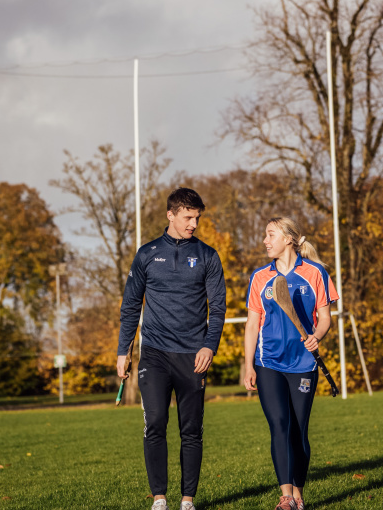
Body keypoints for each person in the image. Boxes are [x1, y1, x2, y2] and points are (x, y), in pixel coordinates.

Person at [118, 187, 227, 510]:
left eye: (197, 218)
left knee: (191, 429)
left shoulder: (207, 255)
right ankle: (160, 498)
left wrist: (209, 346)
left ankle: (187, 500)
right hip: (154, 352)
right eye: (188, 217)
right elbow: (130, 306)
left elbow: (218, 308)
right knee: (155, 423)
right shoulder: (147, 254)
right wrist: (123, 351)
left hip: (193, 355)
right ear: (171, 215)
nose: (194, 223)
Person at [243, 217, 338, 510]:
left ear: (288, 239)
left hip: (303, 363)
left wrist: (316, 336)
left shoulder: (316, 273)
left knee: (298, 430)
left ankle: (298, 491)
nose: (265, 240)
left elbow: (325, 319)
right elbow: (252, 323)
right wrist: (248, 365)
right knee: (279, 425)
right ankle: (285, 495)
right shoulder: (260, 277)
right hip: (267, 361)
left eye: (270, 234)